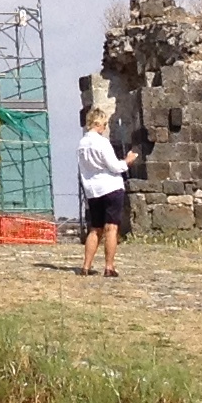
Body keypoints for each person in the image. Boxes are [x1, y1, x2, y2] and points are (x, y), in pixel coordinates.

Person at [77, 105, 141, 276]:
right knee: (111, 228)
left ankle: (86, 266)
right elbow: (114, 166)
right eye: (104, 124)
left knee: (95, 228)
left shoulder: (82, 144)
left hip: (92, 189)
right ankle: (109, 266)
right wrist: (127, 161)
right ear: (98, 124)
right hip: (110, 187)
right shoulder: (101, 142)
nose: (105, 128)